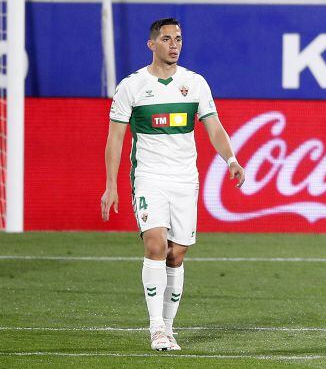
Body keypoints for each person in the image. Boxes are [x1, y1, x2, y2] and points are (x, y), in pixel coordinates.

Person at [101, 18, 245, 351]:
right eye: (167, 39)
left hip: (185, 179)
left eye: (178, 38)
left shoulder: (194, 84)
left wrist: (231, 160)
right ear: (152, 45)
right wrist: (111, 184)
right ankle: (155, 329)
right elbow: (115, 139)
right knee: (154, 245)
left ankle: (168, 326)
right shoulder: (131, 87)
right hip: (149, 177)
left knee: (176, 255)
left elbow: (214, 127)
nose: (174, 44)